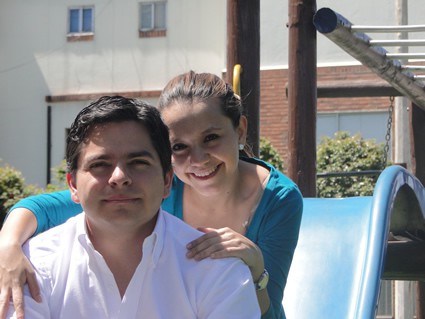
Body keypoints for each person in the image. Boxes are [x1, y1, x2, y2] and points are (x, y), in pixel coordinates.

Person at [0, 71, 303, 319]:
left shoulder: (278, 199)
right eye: (178, 147)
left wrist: (256, 270)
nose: (197, 159)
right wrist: (8, 245)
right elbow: (43, 207)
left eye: (211, 138)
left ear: (239, 131)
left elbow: (268, 311)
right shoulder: (151, 189)